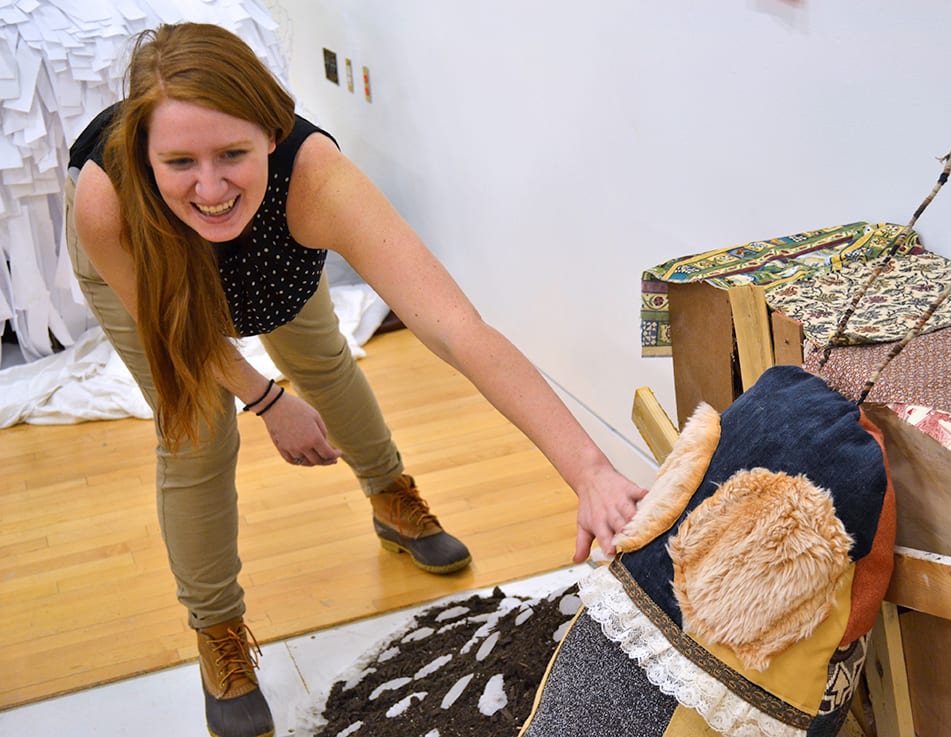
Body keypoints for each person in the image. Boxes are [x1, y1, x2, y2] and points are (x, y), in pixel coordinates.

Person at [65, 22, 646, 737]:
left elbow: (457, 329)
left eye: (233, 154)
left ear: (272, 136)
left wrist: (588, 469)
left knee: (323, 360)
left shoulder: (318, 186)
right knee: (199, 430)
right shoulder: (108, 204)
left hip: (272, 261)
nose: (210, 186)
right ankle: (218, 629)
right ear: (143, 155)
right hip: (156, 277)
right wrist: (269, 400)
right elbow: (183, 339)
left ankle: (390, 496)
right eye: (179, 160)